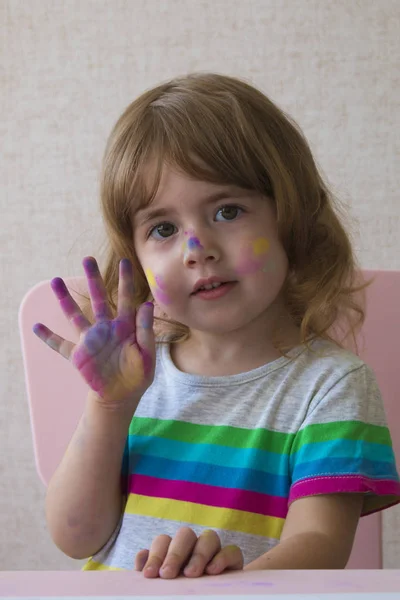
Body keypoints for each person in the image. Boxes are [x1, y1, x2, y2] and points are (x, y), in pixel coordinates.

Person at [33, 73, 400, 577]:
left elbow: (320, 544)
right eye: (163, 228)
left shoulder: (331, 386)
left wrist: (226, 586)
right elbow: (75, 538)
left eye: (227, 211)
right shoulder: (136, 378)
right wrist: (109, 406)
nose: (196, 247)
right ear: (135, 259)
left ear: (291, 219)